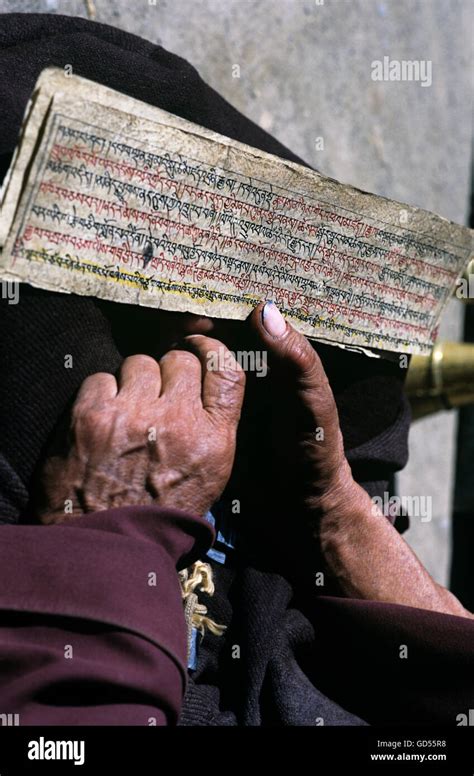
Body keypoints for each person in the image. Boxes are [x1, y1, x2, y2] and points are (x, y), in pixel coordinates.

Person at [0, 13, 472, 727]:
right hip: (301, 615)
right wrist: (335, 511)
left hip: (109, 657)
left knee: (17, 150)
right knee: (363, 383)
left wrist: (113, 531)